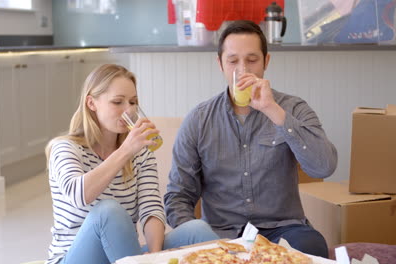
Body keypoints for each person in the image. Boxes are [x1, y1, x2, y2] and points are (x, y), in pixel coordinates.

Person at [164, 20, 338, 258]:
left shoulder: (292, 108)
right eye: (233, 61)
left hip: (283, 230)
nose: (243, 70)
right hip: (219, 235)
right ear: (220, 64)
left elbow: (323, 167)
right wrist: (194, 236)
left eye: (252, 60)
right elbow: (178, 194)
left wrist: (273, 110)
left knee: (312, 246)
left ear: (266, 62)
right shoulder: (198, 120)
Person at [45, 64, 219, 264]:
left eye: (133, 102)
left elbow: (151, 208)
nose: (129, 110)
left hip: (122, 257)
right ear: (91, 103)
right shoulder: (65, 148)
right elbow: (79, 195)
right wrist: (125, 150)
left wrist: (155, 255)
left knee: (197, 230)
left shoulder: (140, 153)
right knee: (108, 211)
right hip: (74, 259)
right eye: (117, 102)